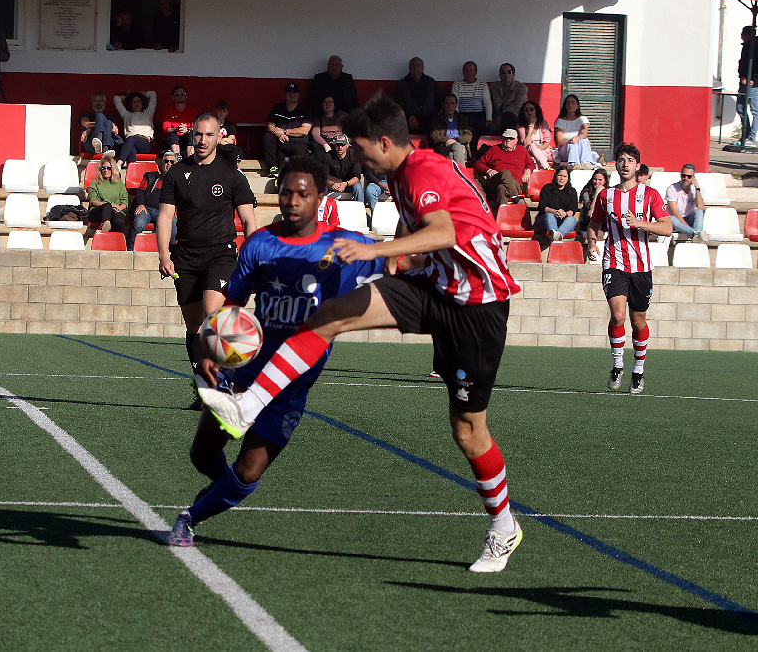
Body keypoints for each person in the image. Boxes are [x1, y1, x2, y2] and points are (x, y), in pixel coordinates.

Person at [198, 96, 524, 573]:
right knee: (327, 316)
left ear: (385, 142)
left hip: (478, 306)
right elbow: (434, 246)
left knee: (468, 431)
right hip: (433, 285)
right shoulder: (397, 174)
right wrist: (393, 259)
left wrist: (377, 251)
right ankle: (246, 408)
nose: (354, 155)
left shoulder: (422, 171)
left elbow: (445, 232)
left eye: (360, 146)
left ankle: (503, 526)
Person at [167, 155, 386, 547]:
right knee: (202, 455)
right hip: (245, 370)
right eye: (286, 191)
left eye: (302, 193)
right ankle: (222, 493)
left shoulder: (345, 246)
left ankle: (190, 518)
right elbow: (232, 304)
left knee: (249, 471)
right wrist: (212, 349)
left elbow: (401, 259)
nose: (292, 200)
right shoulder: (260, 243)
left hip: (293, 382)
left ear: (319, 196)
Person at [157, 113, 258, 407]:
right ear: (192, 135)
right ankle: (202, 387)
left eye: (209, 135)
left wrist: (251, 255)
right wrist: (164, 254)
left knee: (214, 320)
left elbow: (249, 220)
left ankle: (222, 386)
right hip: (185, 256)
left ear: (219, 136)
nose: (203, 140)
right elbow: (165, 216)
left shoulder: (232, 175)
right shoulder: (176, 173)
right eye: (198, 134)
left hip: (221, 255)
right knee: (194, 327)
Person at [587, 142, 672, 395]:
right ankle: (617, 365)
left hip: (641, 267)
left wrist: (641, 223)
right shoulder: (606, 196)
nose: (625, 164)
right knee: (618, 315)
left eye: (630, 160)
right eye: (621, 160)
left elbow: (667, 227)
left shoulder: (650, 195)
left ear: (637, 165)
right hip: (614, 263)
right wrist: (592, 243)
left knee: (638, 321)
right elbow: (594, 225)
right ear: (617, 164)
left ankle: (638, 369)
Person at [474, 128, 535, 211]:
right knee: (505, 173)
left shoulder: (522, 150)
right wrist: (488, 170)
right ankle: (515, 198)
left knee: (502, 188)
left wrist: (527, 171)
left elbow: (531, 164)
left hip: (515, 182)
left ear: (516, 140)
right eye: (506, 138)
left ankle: (501, 217)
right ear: (502, 139)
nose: (508, 140)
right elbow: (478, 164)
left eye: (511, 139)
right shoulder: (494, 150)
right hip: (495, 180)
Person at [264, 81, 313, 178]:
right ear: (285, 94)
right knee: (267, 136)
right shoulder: (277, 107)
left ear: (299, 95)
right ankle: (272, 168)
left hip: (298, 143)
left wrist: (284, 131)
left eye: (294, 93)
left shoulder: (305, 109)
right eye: (289, 92)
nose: (291, 95)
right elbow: (270, 126)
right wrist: (279, 134)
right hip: (280, 140)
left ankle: (297, 175)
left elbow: (305, 130)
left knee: (300, 152)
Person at [130, 150, 178, 249]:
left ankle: (172, 250)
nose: (168, 163)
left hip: (165, 211)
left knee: (173, 223)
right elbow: (140, 191)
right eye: (166, 161)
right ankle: (131, 248)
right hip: (147, 208)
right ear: (162, 163)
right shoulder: (151, 176)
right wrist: (141, 204)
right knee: (138, 223)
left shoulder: (177, 180)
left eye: (171, 162)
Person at [395, 57, 441, 134]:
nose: (415, 67)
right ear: (409, 68)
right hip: (410, 119)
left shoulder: (431, 82)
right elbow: (398, 104)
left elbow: (440, 99)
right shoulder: (402, 84)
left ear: (423, 68)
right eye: (413, 65)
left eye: (418, 65)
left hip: (430, 118)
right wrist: (409, 116)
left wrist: (437, 116)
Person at [86, 151, 128, 235]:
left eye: (108, 168)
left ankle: (118, 241)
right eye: (103, 168)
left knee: (119, 220)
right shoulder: (94, 183)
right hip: (98, 211)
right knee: (107, 205)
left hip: (115, 211)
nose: (106, 170)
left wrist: (120, 208)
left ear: (113, 169)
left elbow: (125, 202)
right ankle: (106, 223)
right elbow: (93, 201)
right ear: (100, 170)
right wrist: (110, 205)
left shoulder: (119, 183)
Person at [451, 61, 493, 144]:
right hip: (462, 115)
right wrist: (457, 118)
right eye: (466, 70)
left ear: (476, 72)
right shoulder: (457, 84)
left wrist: (489, 119)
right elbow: (454, 104)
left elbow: (487, 103)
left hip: (479, 115)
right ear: (463, 72)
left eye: (471, 70)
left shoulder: (483, 84)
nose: (469, 73)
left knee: (489, 129)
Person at [113, 90, 157, 167]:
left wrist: (138, 93)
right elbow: (116, 99)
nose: (136, 104)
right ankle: (131, 170)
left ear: (142, 103)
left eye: (138, 101)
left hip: (144, 143)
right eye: (133, 102)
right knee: (131, 149)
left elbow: (153, 94)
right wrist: (129, 95)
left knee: (132, 138)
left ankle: (119, 163)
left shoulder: (148, 113)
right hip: (130, 144)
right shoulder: (127, 115)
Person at [554, 94, 599, 169]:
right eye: (568, 103)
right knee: (573, 143)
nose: (570, 105)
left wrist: (577, 139)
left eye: (573, 102)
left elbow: (584, 134)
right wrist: (572, 140)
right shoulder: (560, 121)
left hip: (580, 147)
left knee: (583, 141)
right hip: (565, 151)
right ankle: (574, 164)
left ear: (577, 106)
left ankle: (586, 163)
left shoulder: (582, 119)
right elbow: (560, 141)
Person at [534, 166, 578, 241]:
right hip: (547, 221)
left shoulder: (572, 191)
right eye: (560, 175)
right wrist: (555, 212)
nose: (562, 178)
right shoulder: (547, 188)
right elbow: (542, 207)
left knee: (572, 219)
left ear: (568, 178)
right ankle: (554, 233)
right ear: (555, 176)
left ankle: (557, 235)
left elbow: (573, 209)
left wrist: (565, 214)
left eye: (565, 176)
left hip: (563, 221)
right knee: (550, 215)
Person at [430, 93, 472, 168]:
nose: (450, 106)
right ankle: (463, 175)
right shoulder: (436, 120)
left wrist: (456, 140)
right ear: (443, 105)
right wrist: (449, 140)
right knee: (456, 146)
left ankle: (452, 178)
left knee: (451, 155)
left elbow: (468, 135)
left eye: (452, 103)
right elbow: (434, 137)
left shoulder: (462, 119)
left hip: (460, 149)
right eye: (447, 103)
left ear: (456, 105)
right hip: (444, 147)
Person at [665, 164, 705, 240]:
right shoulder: (672, 189)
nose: (685, 178)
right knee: (671, 218)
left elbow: (700, 206)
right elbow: (674, 212)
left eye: (689, 176)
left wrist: (697, 188)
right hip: (677, 221)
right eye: (683, 175)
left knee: (699, 212)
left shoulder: (698, 189)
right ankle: (696, 234)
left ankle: (695, 233)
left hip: (689, 219)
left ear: (693, 177)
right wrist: (687, 228)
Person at [162, 85, 198, 158]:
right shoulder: (168, 110)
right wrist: (176, 129)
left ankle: (190, 157)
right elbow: (166, 129)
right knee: (173, 134)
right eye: (177, 94)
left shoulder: (192, 110)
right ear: (173, 97)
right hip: (173, 140)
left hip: (187, 138)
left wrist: (187, 129)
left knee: (192, 134)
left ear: (186, 96)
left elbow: (196, 128)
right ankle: (176, 157)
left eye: (183, 94)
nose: (180, 96)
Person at [325, 134, 364, 203]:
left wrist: (345, 184)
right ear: (334, 145)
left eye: (342, 145)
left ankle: (360, 210)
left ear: (347, 145)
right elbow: (323, 176)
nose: (340, 147)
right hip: (334, 182)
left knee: (358, 187)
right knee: (321, 186)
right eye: (338, 144)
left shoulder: (354, 156)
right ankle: (322, 210)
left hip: (349, 183)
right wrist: (331, 184)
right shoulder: (328, 156)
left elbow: (357, 178)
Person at [516, 101, 553, 169]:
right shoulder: (520, 125)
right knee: (532, 146)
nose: (529, 112)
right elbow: (526, 143)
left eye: (531, 109)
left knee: (533, 160)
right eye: (526, 110)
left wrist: (539, 149)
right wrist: (531, 125)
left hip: (542, 149)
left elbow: (547, 141)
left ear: (536, 111)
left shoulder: (543, 123)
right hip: (527, 150)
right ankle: (546, 167)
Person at [489, 63, 527, 131]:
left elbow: (517, 106)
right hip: (496, 117)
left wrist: (501, 116)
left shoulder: (521, 88)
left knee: (508, 118)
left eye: (509, 72)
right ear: (500, 75)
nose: (506, 74)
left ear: (513, 75)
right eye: (503, 72)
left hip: (514, 117)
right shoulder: (493, 87)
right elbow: (488, 103)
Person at [738, 26, 758, 147]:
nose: (741, 36)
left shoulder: (754, 48)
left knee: (755, 110)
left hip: (753, 84)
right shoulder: (746, 47)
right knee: (740, 108)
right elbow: (742, 64)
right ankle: (746, 134)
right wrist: (742, 76)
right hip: (744, 82)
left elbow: (755, 65)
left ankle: (751, 137)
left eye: (743, 34)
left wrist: (753, 79)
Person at [311, 95, 345, 163]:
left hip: (339, 140)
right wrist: (325, 145)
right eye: (325, 102)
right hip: (325, 141)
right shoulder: (318, 118)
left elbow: (350, 128)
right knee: (319, 154)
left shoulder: (341, 115)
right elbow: (315, 134)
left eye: (330, 102)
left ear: (334, 105)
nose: (328, 104)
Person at [578, 168, 608, 238]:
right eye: (595, 179)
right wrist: (597, 193)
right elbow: (589, 209)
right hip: (588, 221)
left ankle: (604, 231)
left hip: (603, 223)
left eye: (600, 180)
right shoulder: (586, 192)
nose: (597, 182)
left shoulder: (609, 192)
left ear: (605, 181)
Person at [215, 100, 243, 166]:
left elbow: (231, 140)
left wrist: (219, 141)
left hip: (227, 148)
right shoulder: (211, 124)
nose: (221, 113)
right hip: (215, 147)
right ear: (216, 111)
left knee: (232, 154)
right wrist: (222, 141)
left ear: (227, 112)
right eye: (219, 111)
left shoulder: (231, 125)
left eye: (224, 111)